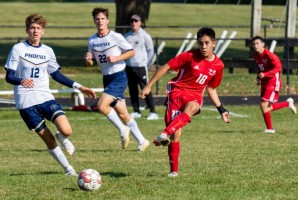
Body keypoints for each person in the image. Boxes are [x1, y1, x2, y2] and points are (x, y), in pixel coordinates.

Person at [4, 14, 97, 176]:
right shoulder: (18, 49)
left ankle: (62, 137)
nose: (35, 31)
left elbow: (57, 75)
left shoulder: (48, 51)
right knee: (48, 139)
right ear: (27, 30)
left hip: (45, 98)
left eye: (38, 28)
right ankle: (68, 169)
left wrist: (79, 87)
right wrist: (21, 81)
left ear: (43, 31)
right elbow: (9, 76)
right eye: (32, 28)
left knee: (67, 130)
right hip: (26, 103)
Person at [141, 27, 231, 177]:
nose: (203, 46)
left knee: (192, 107)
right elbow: (165, 68)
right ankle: (173, 170)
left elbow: (211, 88)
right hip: (176, 93)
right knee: (175, 135)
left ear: (214, 43)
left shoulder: (218, 66)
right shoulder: (188, 56)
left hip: (194, 96)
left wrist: (221, 109)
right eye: (200, 43)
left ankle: (163, 134)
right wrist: (148, 86)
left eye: (207, 43)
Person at [84, 7, 149, 151]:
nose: (100, 21)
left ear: (107, 20)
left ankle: (122, 129)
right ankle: (142, 140)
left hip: (119, 77)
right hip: (107, 78)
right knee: (123, 114)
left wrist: (117, 58)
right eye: (97, 19)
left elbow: (132, 52)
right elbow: (91, 63)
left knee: (101, 106)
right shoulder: (92, 40)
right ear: (94, 21)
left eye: (102, 18)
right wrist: (88, 59)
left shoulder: (116, 37)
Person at [252, 36, 297, 134]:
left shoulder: (270, 55)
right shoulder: (256, 55)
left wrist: (265, 74)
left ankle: (270, 129)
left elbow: (278, 68)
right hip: (265, 81)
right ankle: (287, 104)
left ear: (263, 44)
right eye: (254, 44)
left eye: (257, 43)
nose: (255, 46)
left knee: (264, 105)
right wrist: (258, 78)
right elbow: (260, 68)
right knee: (265, 107)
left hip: (273, 82)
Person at [124, 14, 158, 120]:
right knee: (132, 89)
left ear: (140, 23)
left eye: (136, 21)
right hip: (129, 66)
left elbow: (150, 51)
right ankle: (136, 111)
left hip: (141, 67)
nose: (134, 23)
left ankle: (153, 112)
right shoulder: (127, 36)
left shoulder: (145, 36)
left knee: (145, 88)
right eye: (132, 21)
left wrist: (146, 64)